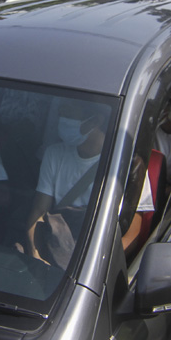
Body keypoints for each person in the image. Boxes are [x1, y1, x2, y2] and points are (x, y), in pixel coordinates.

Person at [24, 100, 153, 264]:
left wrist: (100, 266)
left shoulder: (128, 165)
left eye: (69, 114)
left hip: (98, 255)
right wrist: (35, 255)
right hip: (58, 245)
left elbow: (132, 231)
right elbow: (39, 211)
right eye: (61, 114)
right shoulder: (54, 154)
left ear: (95, 121)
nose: (61, 121)